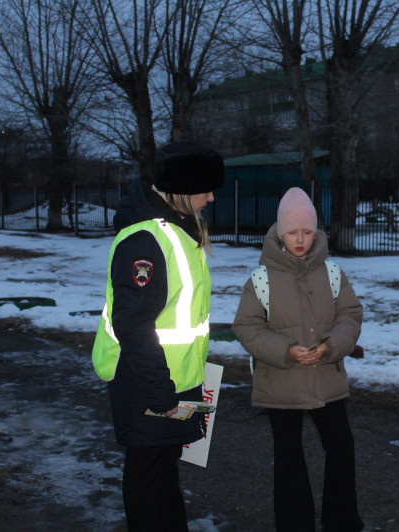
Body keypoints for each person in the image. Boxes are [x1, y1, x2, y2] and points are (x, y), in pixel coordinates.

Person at [91, 140, 224, 531]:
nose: (212, 198)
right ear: (182, 190)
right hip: (147, 384)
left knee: (163, 478)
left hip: (171, 382)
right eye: (206, 189)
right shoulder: (146, 240)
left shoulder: (178, 232)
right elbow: (133, 325)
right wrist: (161, 392)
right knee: (149, 482)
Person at [232, 187, 365, 532]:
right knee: (289, 456)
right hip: (281, 381)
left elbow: (350, 314)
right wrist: (285, 350)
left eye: (307, 231)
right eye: (293, 233)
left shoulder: (333, 273)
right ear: (280, 233)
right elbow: (246, 327)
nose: (301, 239)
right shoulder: (261, 280)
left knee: (341, 448)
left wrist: (333, 344)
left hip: (326, 377)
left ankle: (342, 522)